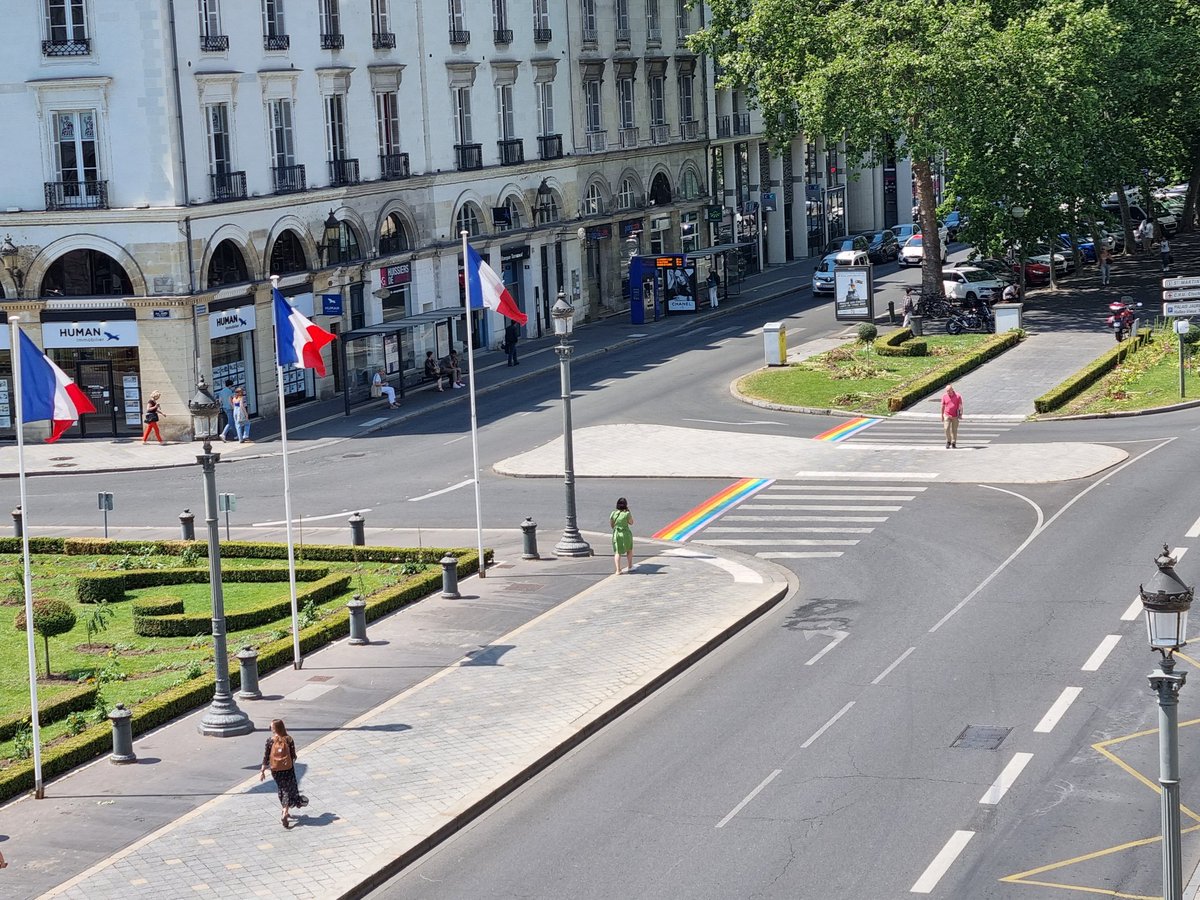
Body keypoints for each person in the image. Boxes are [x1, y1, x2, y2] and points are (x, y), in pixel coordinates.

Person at [260, 719, 306, 829]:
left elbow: (266, 757)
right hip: (288, 769)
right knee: (288, 789)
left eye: (271, 727)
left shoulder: (270, 741)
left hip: (275, 770)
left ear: (275, 729)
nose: (270, 728)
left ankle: (285, 810)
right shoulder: (289, 739)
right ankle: (285, 811)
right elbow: (294, 756)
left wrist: (262, 771)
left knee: (282, 789)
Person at [610, 497, 634, 575]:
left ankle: (618, 570)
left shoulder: (613, 513)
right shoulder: (626, 513)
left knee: (617, 552)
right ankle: (630, 566)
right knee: (629, 549)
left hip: (616, 534)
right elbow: (631, 522)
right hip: (625, 533)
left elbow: (612, 525)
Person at [941, 384, 963, 449]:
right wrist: (942, 415)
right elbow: (942, 406)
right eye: (947, 391)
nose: (948, 392)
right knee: (946, 428)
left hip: (955, 415)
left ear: (952, 390)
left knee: (954, 430)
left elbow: (960, 405)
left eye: (949, 391)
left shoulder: (958, 396)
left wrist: (961, 414)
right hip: (947, 414)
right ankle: (948, 441)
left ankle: (953, 442)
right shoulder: (944, 396)